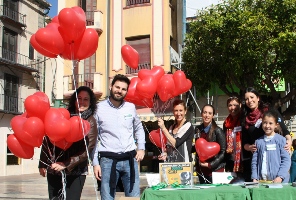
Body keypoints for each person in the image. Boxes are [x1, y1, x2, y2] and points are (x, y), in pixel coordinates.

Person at [38, 86, 98, 200]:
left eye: (86, 99)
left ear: (90, 102)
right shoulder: (62, 115)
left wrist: (65, 164)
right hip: (54, 169)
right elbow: (48, 138)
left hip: (76, 172)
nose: (82, 102)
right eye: (79, 98)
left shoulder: (90, 121)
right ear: (74, 100)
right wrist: (42, 163)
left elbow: (87, 149)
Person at [92, 74, 145, 200]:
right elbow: (93, 138)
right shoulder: (99, 108)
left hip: (130, 159)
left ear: (126, 91)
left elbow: (139, 128)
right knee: (107, 198)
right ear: (111, 86)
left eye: (123, 89)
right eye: (117, 87)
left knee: (133, 197)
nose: (119, 91)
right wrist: (95, 163)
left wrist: (141, 148)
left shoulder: (130, 107)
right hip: (108, 161)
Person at [241, 87, 292, 181]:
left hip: (275, 155)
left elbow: (284, 129)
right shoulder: (245, 117)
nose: (250, 101)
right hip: (258, 156)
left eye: (252, 97)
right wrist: (249, 147)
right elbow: (244, 142)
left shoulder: (269, 111)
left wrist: (289, 140)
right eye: (247, 99)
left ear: (258, 98)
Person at [252, 110, 291, 183]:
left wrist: (280, 177)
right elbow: (254, 162)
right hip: (261, 181)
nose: (267, 126)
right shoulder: (258, 142)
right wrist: (254, 177)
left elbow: (286, 160)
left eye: (270, 123)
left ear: (276, 125)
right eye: (265, 123)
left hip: (278, 182)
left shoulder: (281, 140)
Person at [194, 104, 226, 184]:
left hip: (215, 170)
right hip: (201, 170)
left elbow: (223, 151)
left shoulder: (218, 131)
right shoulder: (197, 129)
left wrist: (210, 164)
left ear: (213, 115)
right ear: (201, 114)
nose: (207, 115)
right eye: (205, 112)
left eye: (209, 113)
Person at [223, 96, 243, 174]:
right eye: (230, 105)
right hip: (231, 158)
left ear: (240, 105)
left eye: (235, 105)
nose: (232, 107)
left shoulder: (243, 120)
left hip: (242, 158)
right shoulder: (226, 122)